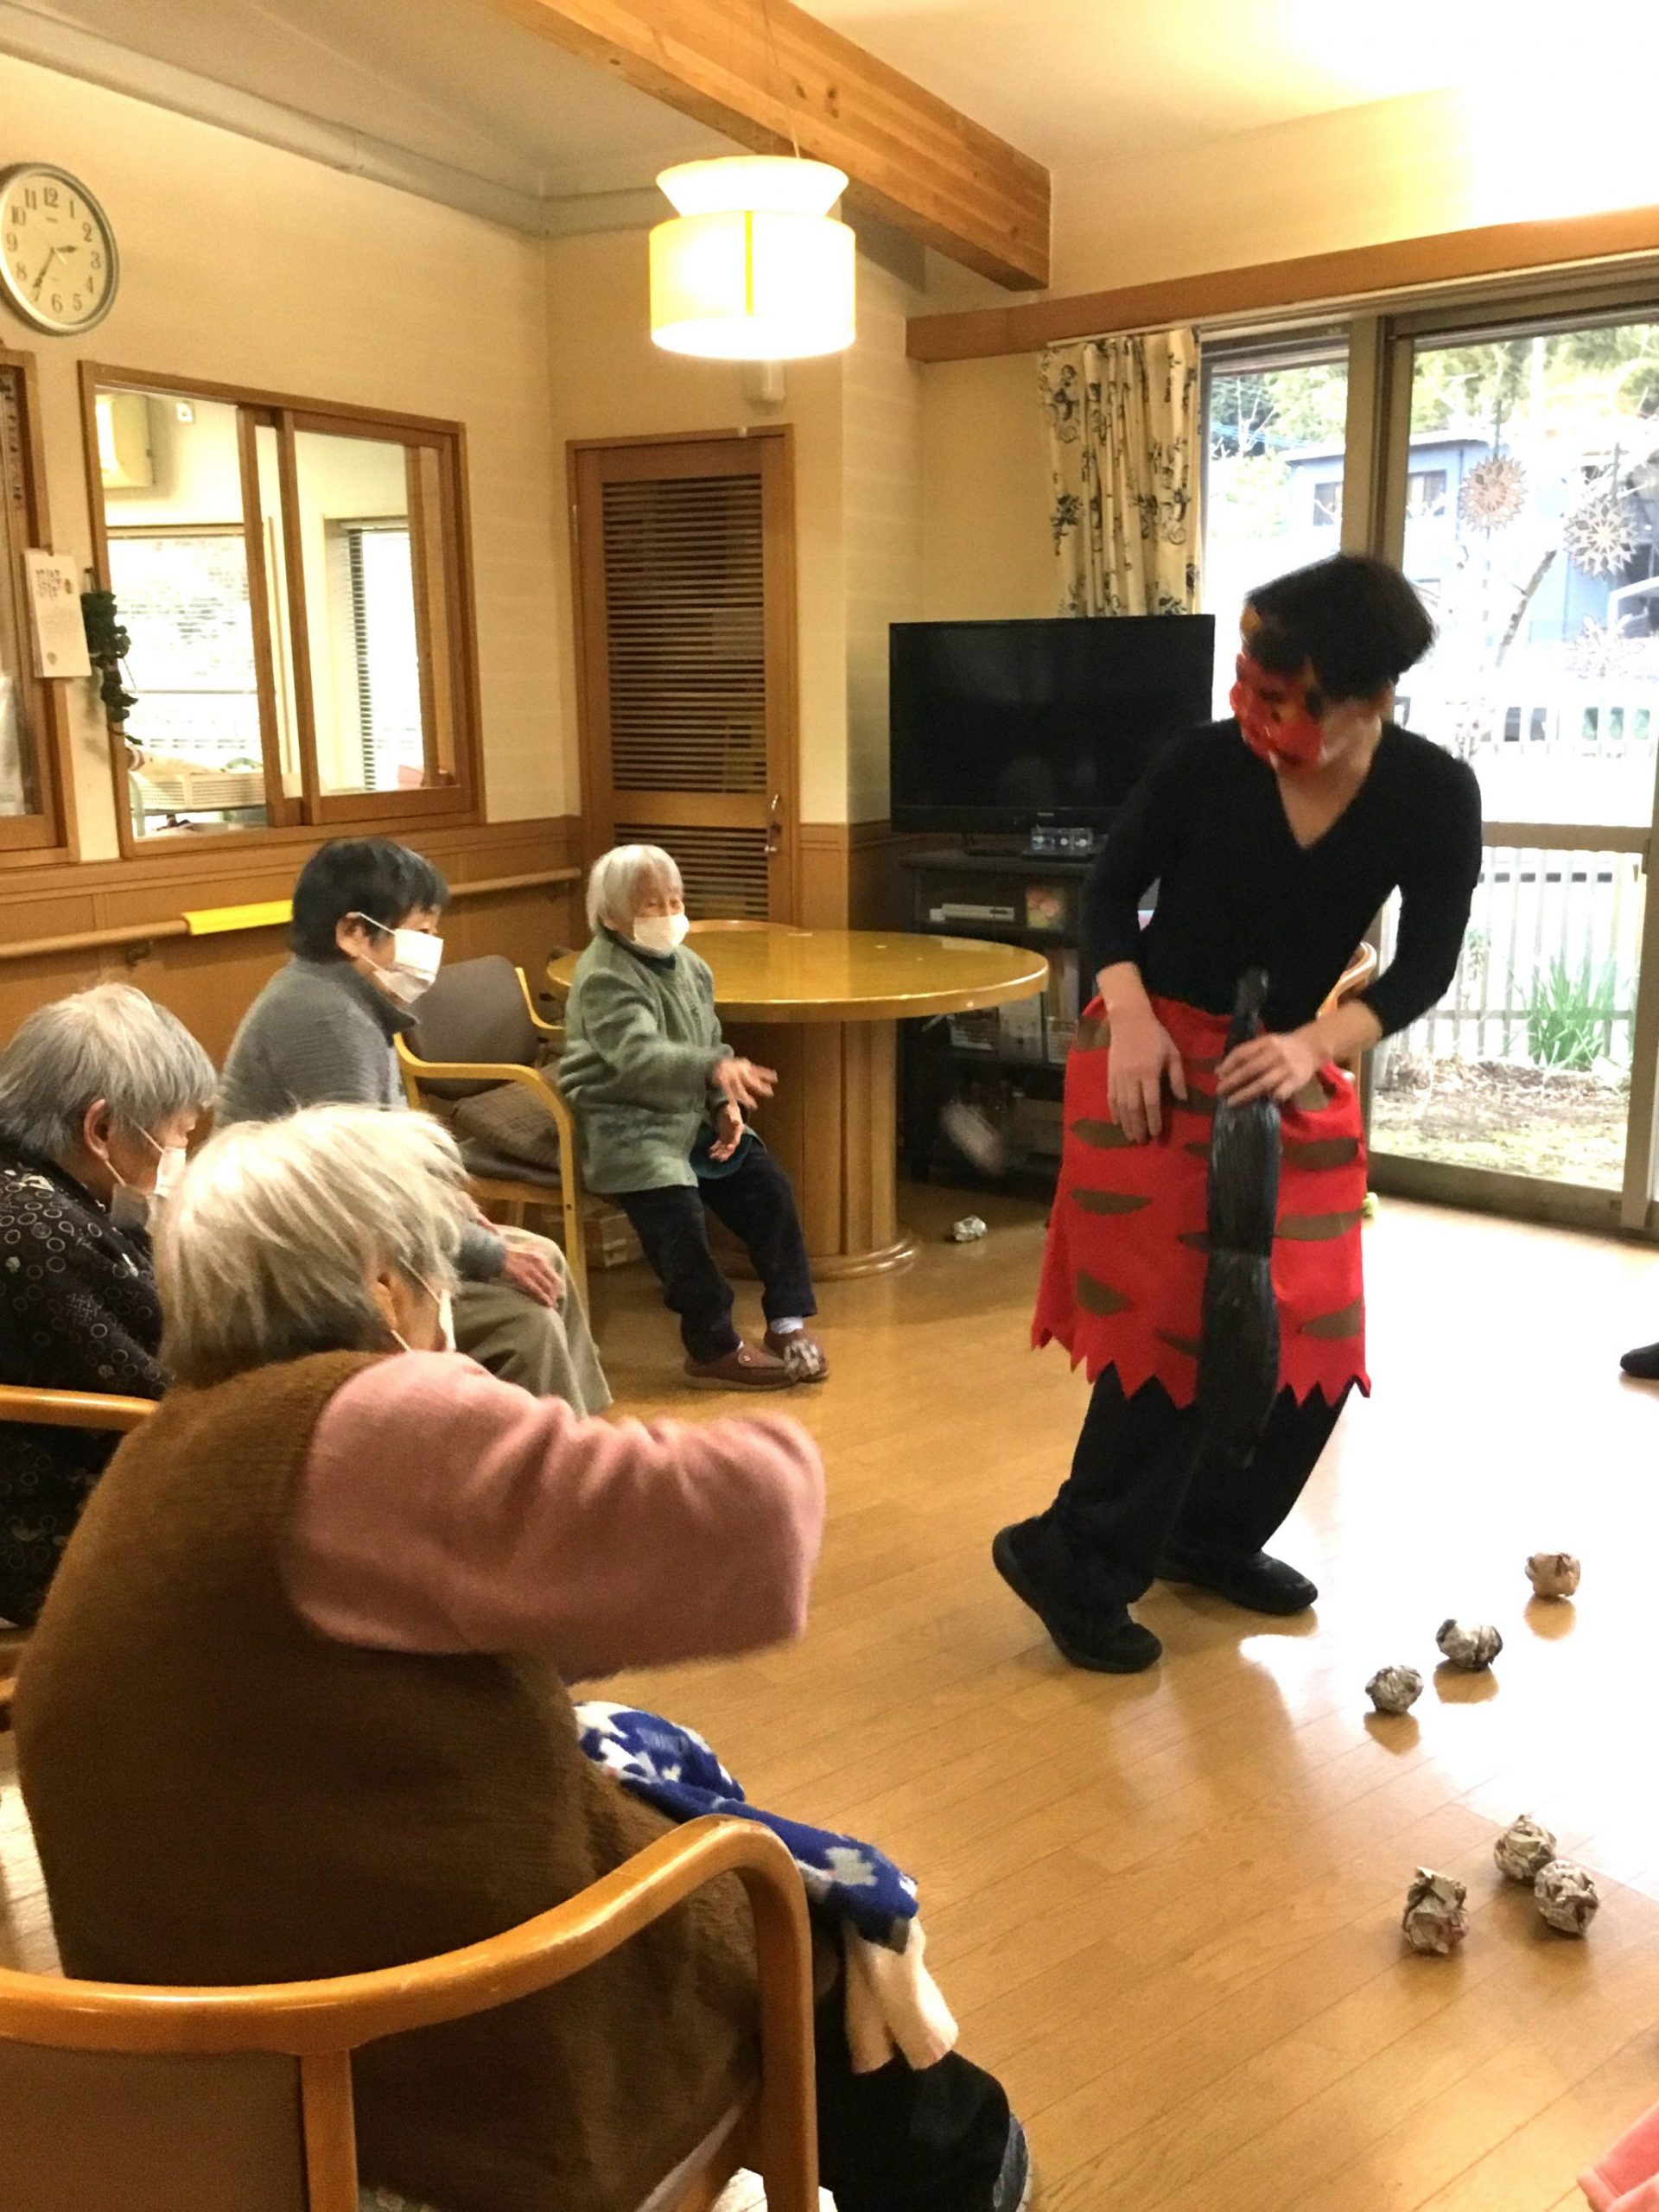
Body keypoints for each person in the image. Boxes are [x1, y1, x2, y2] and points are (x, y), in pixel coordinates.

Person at [15, 1106, 1028, 2212]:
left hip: (199, 2063)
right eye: (436, 1267)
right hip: (410, 2063)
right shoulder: (372, 1419)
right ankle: (974, 2172)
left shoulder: (176, 1442)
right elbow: (755, 1518)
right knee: (798, 1918)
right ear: (383, 1285)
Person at [995, 553, 1484, 1674]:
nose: (1254, 716)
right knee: (1179, 1324)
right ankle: (1075, 1557)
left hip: (1286, 1058)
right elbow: (1108, 893)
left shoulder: (1432, 792)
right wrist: (1127, 1015)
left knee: (1312, 1330)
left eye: (1282, 699)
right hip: (1156, 1057)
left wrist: (1318, 1041)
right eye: (1249, 688)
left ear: (1369, 698)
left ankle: (1207, 1534)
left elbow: (1427, 965)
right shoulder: (1204, 762)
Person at [218, 835, 608, 1414]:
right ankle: (544, 1461)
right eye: (422, 931)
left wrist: (451, 1204)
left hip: (353, 1240)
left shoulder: (336, 998)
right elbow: (364, 1194)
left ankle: (581, 1441)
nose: (433, 948)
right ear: (354, 933)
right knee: (523, 1319)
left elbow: (388, 1156)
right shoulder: (323, 1017)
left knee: (541, 1258)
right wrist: (485, 1252)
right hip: (308, 1267)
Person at [560, 846, 826, 1390]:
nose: (668, 914)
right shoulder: (604, 976)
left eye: (675, 901)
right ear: (610, 916)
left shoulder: (692, 967)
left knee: (767, 1188)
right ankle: (713, 1347)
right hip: (626, 1122)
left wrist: (725, 1105)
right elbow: (638, 1055)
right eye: (650, 904)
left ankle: (786, 1323)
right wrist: (713, 1071)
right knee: (677, 1216)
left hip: (691, 1113)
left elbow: (710, 1043)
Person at [0, 983, 214, 1626]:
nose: (180, 1157)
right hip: (42, 1527)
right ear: (100, 1129)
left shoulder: (35, 1186)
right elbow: (170, 1393)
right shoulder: (42, 1233)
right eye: (180, 1136)